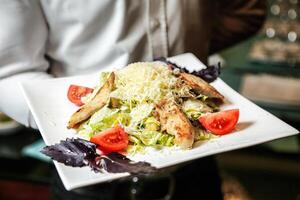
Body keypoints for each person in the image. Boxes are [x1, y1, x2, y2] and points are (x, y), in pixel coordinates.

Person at [0, 1, 266, 199]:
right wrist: (83, 113)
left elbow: (247, 11)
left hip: (197, 168)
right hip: (94, 181)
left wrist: (195, 50)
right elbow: (9, 71)